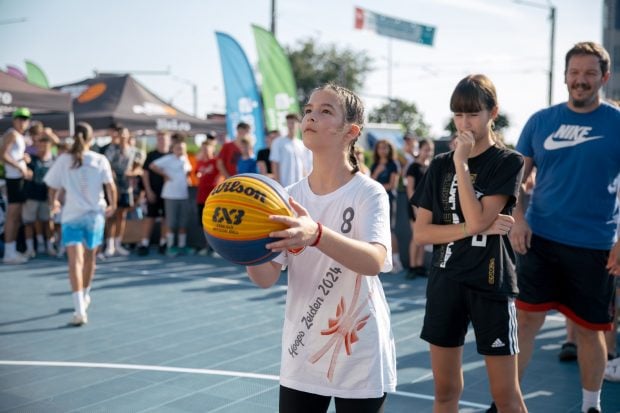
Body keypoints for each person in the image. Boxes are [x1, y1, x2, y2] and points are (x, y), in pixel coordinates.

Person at [246, 84, 396, 413]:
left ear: (350, 132)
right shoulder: (286, 197)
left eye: (325, 111)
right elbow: (266, 278)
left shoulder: (368, 193)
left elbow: (374, 260)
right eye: (309, 109)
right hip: (302, 351)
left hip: (358, 351)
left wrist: (315, 234)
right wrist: (244, 245)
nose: (311, 115)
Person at [504, 42, 620, 413]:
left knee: (590, 330)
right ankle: (507, 403)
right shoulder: (541, 120)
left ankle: (591, 405)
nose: (580, 81)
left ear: (604, 77)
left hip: (595, 244)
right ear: (565, 75)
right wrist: (519, 219)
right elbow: (516, 180)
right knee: (524, 321)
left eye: (589, 74)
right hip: (540, 240)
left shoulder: (616, 123)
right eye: (574, 73)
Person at [412, 74, 527, 413]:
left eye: (473, 113)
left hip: (491, 283)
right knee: (445, 391)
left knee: (506, 395)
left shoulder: (509, 161)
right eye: (458, 114)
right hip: (445, 280)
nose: (465, 123)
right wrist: (473, 228)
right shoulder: (438, 165)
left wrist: (462, 162)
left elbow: (478, 219)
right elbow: (422, 233)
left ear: (493, 112)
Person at [44, 122, 117, 326]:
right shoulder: (99, 159)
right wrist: (113, 205)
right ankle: (84, 296)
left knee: (74, 262)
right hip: (94, 217)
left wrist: (54, 202)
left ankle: (79, 308)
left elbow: (51, 186)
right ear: (92, 139)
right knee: (89, 260)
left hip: (72, 217)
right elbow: (111, 187)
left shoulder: (63, 160)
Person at [149, 138, 192, 257]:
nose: (181, 150)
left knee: (183, 223)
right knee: (171, 223)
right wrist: (165, 175)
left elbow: (188, 172)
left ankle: (182, 246)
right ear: (173, 149)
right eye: (178, 148)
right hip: (170, 195)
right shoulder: (168, 159)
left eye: (183, 148)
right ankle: (170, 246)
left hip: (183, 195)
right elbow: (152, 165)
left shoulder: (185, 159)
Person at [1, 107, 33, 264]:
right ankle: (8, 252)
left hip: (18, 179)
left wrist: (23, 160)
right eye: (20, 118)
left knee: (16, 217)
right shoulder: (12, 133)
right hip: (13, 179)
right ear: (14, 120)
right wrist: (19, 167)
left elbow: (12, 156)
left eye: (25, 119)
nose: (23, 121)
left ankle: (12, 250)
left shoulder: (19, 136)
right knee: (12, 217)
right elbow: (2, 154)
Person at [103, 127, 142, 257]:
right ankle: (109, 245)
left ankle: (118, 243)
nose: (123, 137)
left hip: (127, 187)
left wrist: (132, 173)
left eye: (125, 134)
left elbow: (138, 168)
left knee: (122, 215)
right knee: (112, 215)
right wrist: (113, 183)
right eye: (121, 134)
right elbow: (107, 166)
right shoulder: (111, 149)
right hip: (113, 186)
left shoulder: (134, 151)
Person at [22, 134, 57, 258]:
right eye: (40, 145)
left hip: (47, 197)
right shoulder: (31, 159)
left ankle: (49, 246)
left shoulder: (55, 160)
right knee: (29, 222)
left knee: (47, 222)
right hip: (31, 196)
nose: (43, 148)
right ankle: (30, 249)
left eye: (45, 145)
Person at [137, 131, 171, 256]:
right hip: (153, 192)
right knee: (150, 217)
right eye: (160, 139)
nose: (162, 141)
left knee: (166, 218)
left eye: (164, 138)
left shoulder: (172, 155)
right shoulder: (151, 155)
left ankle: (163, 243)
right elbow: (145, 174)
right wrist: (148, 191)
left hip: (168, 193)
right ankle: (144, 243)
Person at [370, 139, 401, 273]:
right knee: (378, 230)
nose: (382, 150)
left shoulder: (394, 164)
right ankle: (382, 262)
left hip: (389, 199)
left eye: (385, 148)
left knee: (390, 230)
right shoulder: (375, 164)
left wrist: (377, 187)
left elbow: (392, 185)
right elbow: (370, 182)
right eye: (380, 148)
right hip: (375, 201)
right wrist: (377, 172)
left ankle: (396, 262)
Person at [404, 138, 434, 279]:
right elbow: (410, 189)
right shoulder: (413, 167)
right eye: (426, 149)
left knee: (424, 237)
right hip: (414, 206)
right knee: (416, 236)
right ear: (420, 150)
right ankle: (412, 266)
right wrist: (415, 207)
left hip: (427, 207)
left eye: (430, 150)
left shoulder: (430, 167)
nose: (428, 153)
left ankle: (420, 265)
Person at [269, 113, 313, 187]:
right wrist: (278, 183)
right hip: (284, 186)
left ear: (299, 125)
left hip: (299, 185)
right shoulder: (278, 142)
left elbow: (304, 166)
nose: (290, 125)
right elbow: (275, 163)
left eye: (293, 123)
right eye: (288, 123)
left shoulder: (302, 144)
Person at [195, 135, 220, 255]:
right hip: (201, 196)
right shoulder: (200, 162)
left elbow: (223, 172)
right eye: (203, 148)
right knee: (203, 224)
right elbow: (195, 174)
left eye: (207, 148)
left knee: (214, 224)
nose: (205, 150)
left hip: (213, 197)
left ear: (212, 148)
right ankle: (207, 246)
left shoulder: (216, 161)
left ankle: (216, 248)